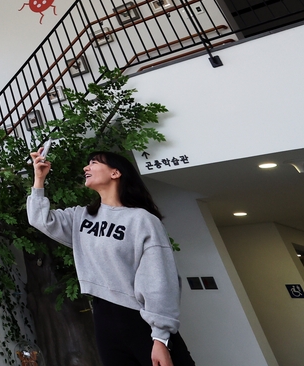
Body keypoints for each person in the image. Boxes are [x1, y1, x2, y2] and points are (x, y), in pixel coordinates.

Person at [28, 149, 195, 366]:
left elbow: (160, 279)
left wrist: (160, 338)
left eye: (94, 163)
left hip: (140, 318)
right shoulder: (82, 217)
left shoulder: (142, 219)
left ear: (116, 173)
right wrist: (39, 179)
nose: (86, 168)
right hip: (103, 315)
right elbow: (40, 219)